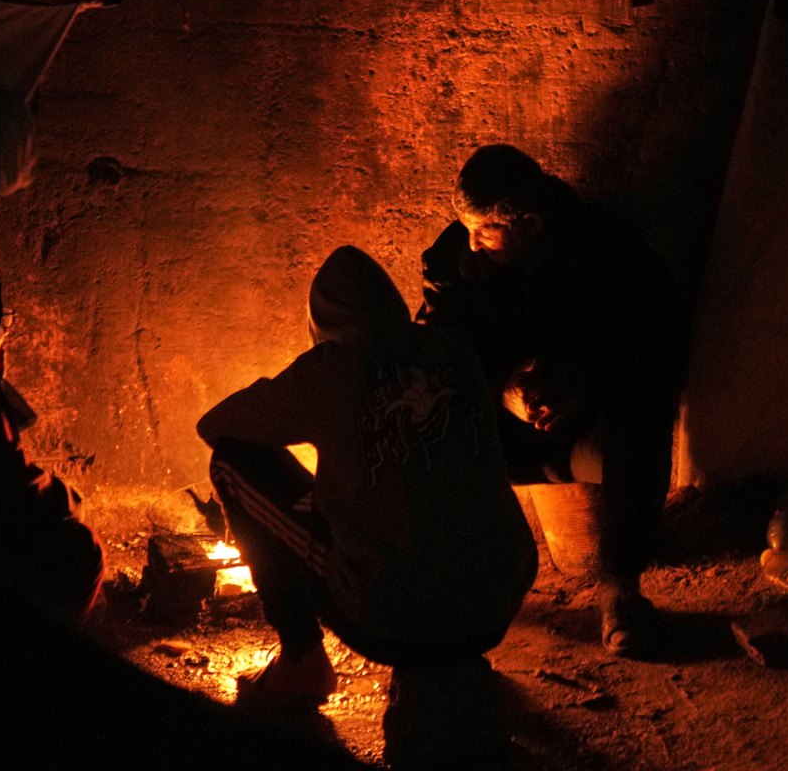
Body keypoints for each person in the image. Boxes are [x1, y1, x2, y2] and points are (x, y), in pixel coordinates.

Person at [197, 246, 536, 717]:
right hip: (497, 604)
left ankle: (302, 661)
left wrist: (295, 395)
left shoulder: (331, 367)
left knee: (231, 462)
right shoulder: (454, 352)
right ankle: (453, 652)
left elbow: (216, 426)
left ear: (321, 325)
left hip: (388, 619)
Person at [417, 145, 693, 656]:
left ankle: (620, 593)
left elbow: (662, 338)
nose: (472, 245)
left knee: (644, 409)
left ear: (530, 224)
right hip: (505, 435)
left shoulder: (605, 248)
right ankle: (457, 586)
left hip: (590, 432)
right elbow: (433, 352)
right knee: (427, 416)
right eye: (467, 229)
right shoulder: (456, 262)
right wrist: (500, 389)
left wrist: (586, 382)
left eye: (484, 231)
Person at [0, 256, 104, 622]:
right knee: (82, 549)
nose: (6, 334)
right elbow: (11, 485)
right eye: (2, 322)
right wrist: (67, 500)